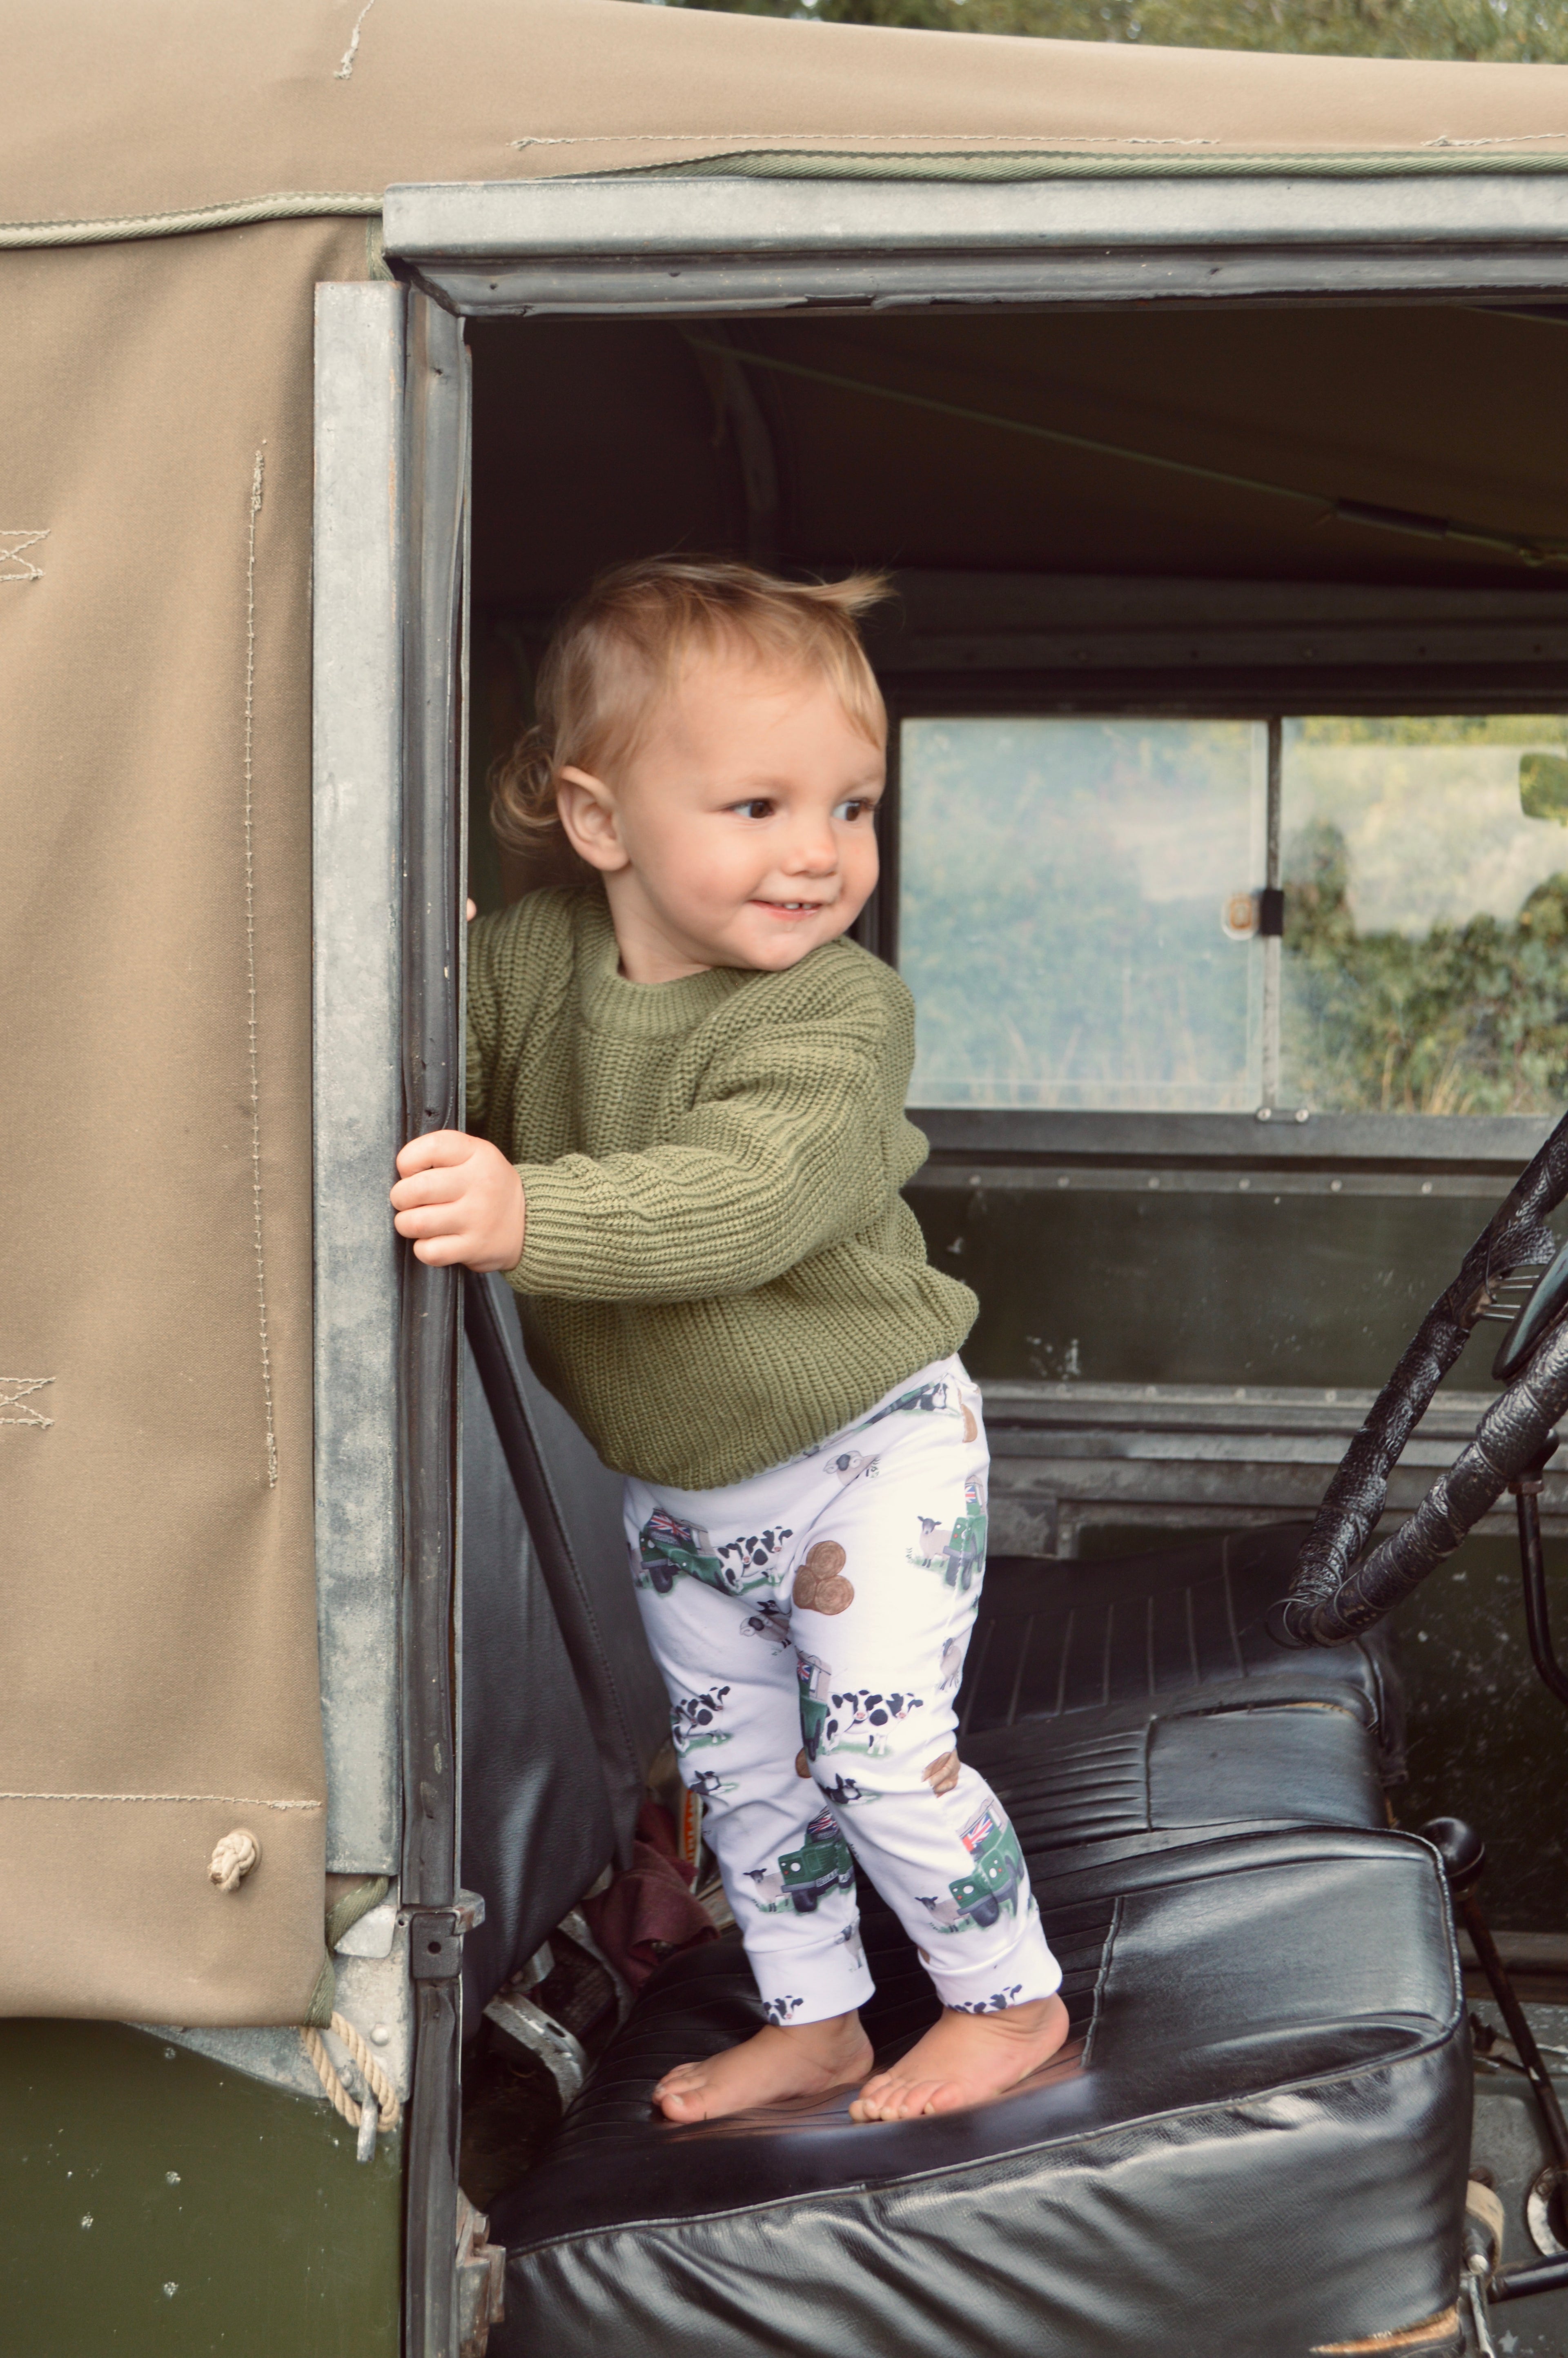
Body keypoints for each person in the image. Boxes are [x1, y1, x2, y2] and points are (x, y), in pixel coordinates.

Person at [390, 557, 1067, 2124]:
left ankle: (1006, 1999)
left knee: (882, 1751)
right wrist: (414, 944)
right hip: (690, 1501)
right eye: (759, 809)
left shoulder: (839, 1014)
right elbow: (429, 1049)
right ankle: (819, 2021)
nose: (821, 855)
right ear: (601, 819)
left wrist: (522, 1218)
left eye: (853, 806)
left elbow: (742, 1202)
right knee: (745, 1785)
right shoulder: (529, 966)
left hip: (872, 1452)